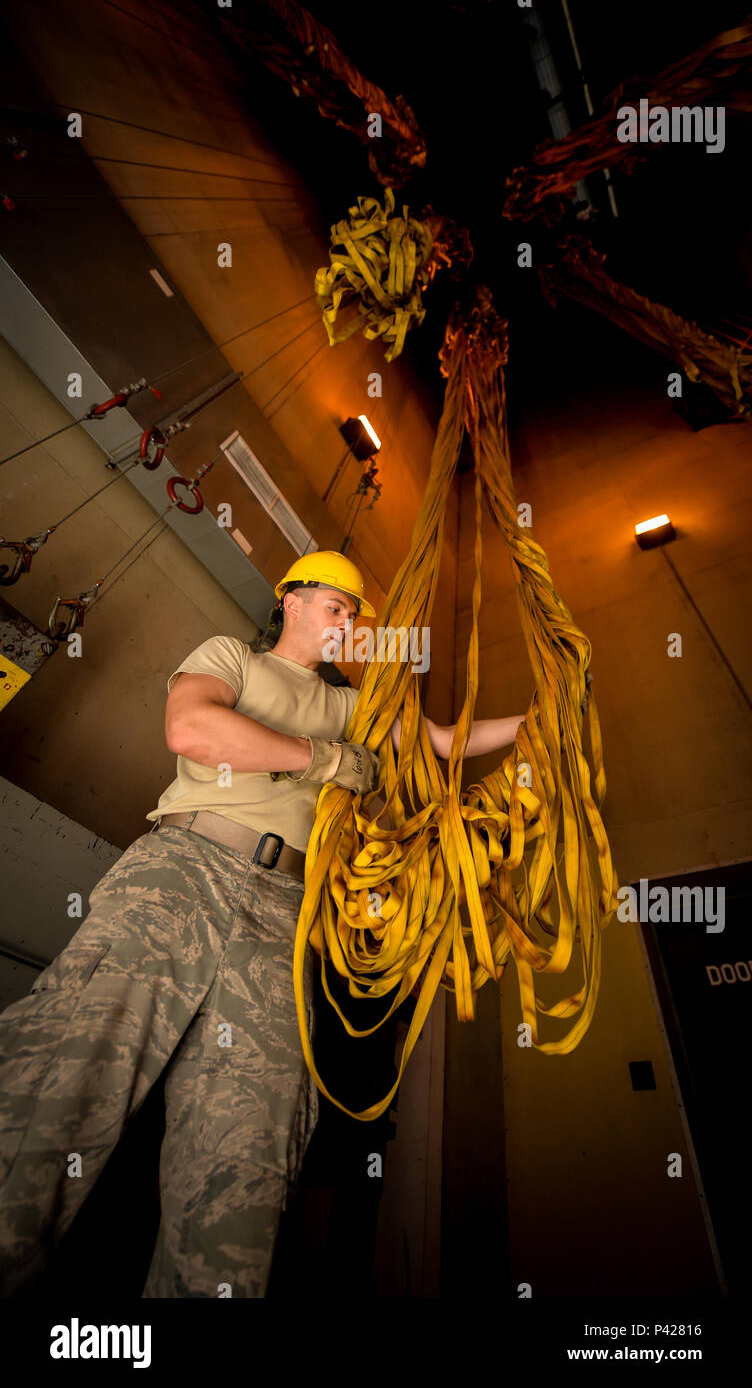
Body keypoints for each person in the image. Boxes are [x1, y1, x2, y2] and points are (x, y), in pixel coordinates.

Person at [0, 549, 524, 1297]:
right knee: (71, 1066)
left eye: (356, 613)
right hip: (184, 869)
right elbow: (194, 731)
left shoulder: (352, 710)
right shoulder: (232, 660)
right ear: (292, 601)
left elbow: (440, 741)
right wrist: (322, 761)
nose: (348, 622)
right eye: (336, 607)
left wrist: (537, 725)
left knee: (255, 1134)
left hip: (285, 910)